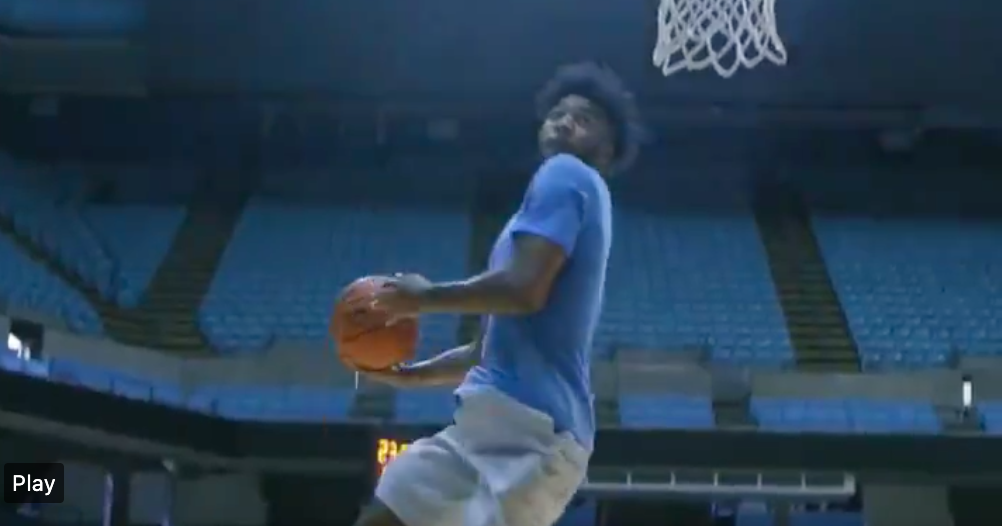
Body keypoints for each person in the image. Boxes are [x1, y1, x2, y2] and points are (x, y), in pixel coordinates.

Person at [349, 62, 641, 526]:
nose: (564, 121)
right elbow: (484, 351)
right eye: (557, 113)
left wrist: (422, 297)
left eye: (583, 118)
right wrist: (411, 376)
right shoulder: (544, 206)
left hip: (534, 430)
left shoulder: (568, 175)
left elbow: (524, 292)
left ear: (607, 150)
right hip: (485, 423)